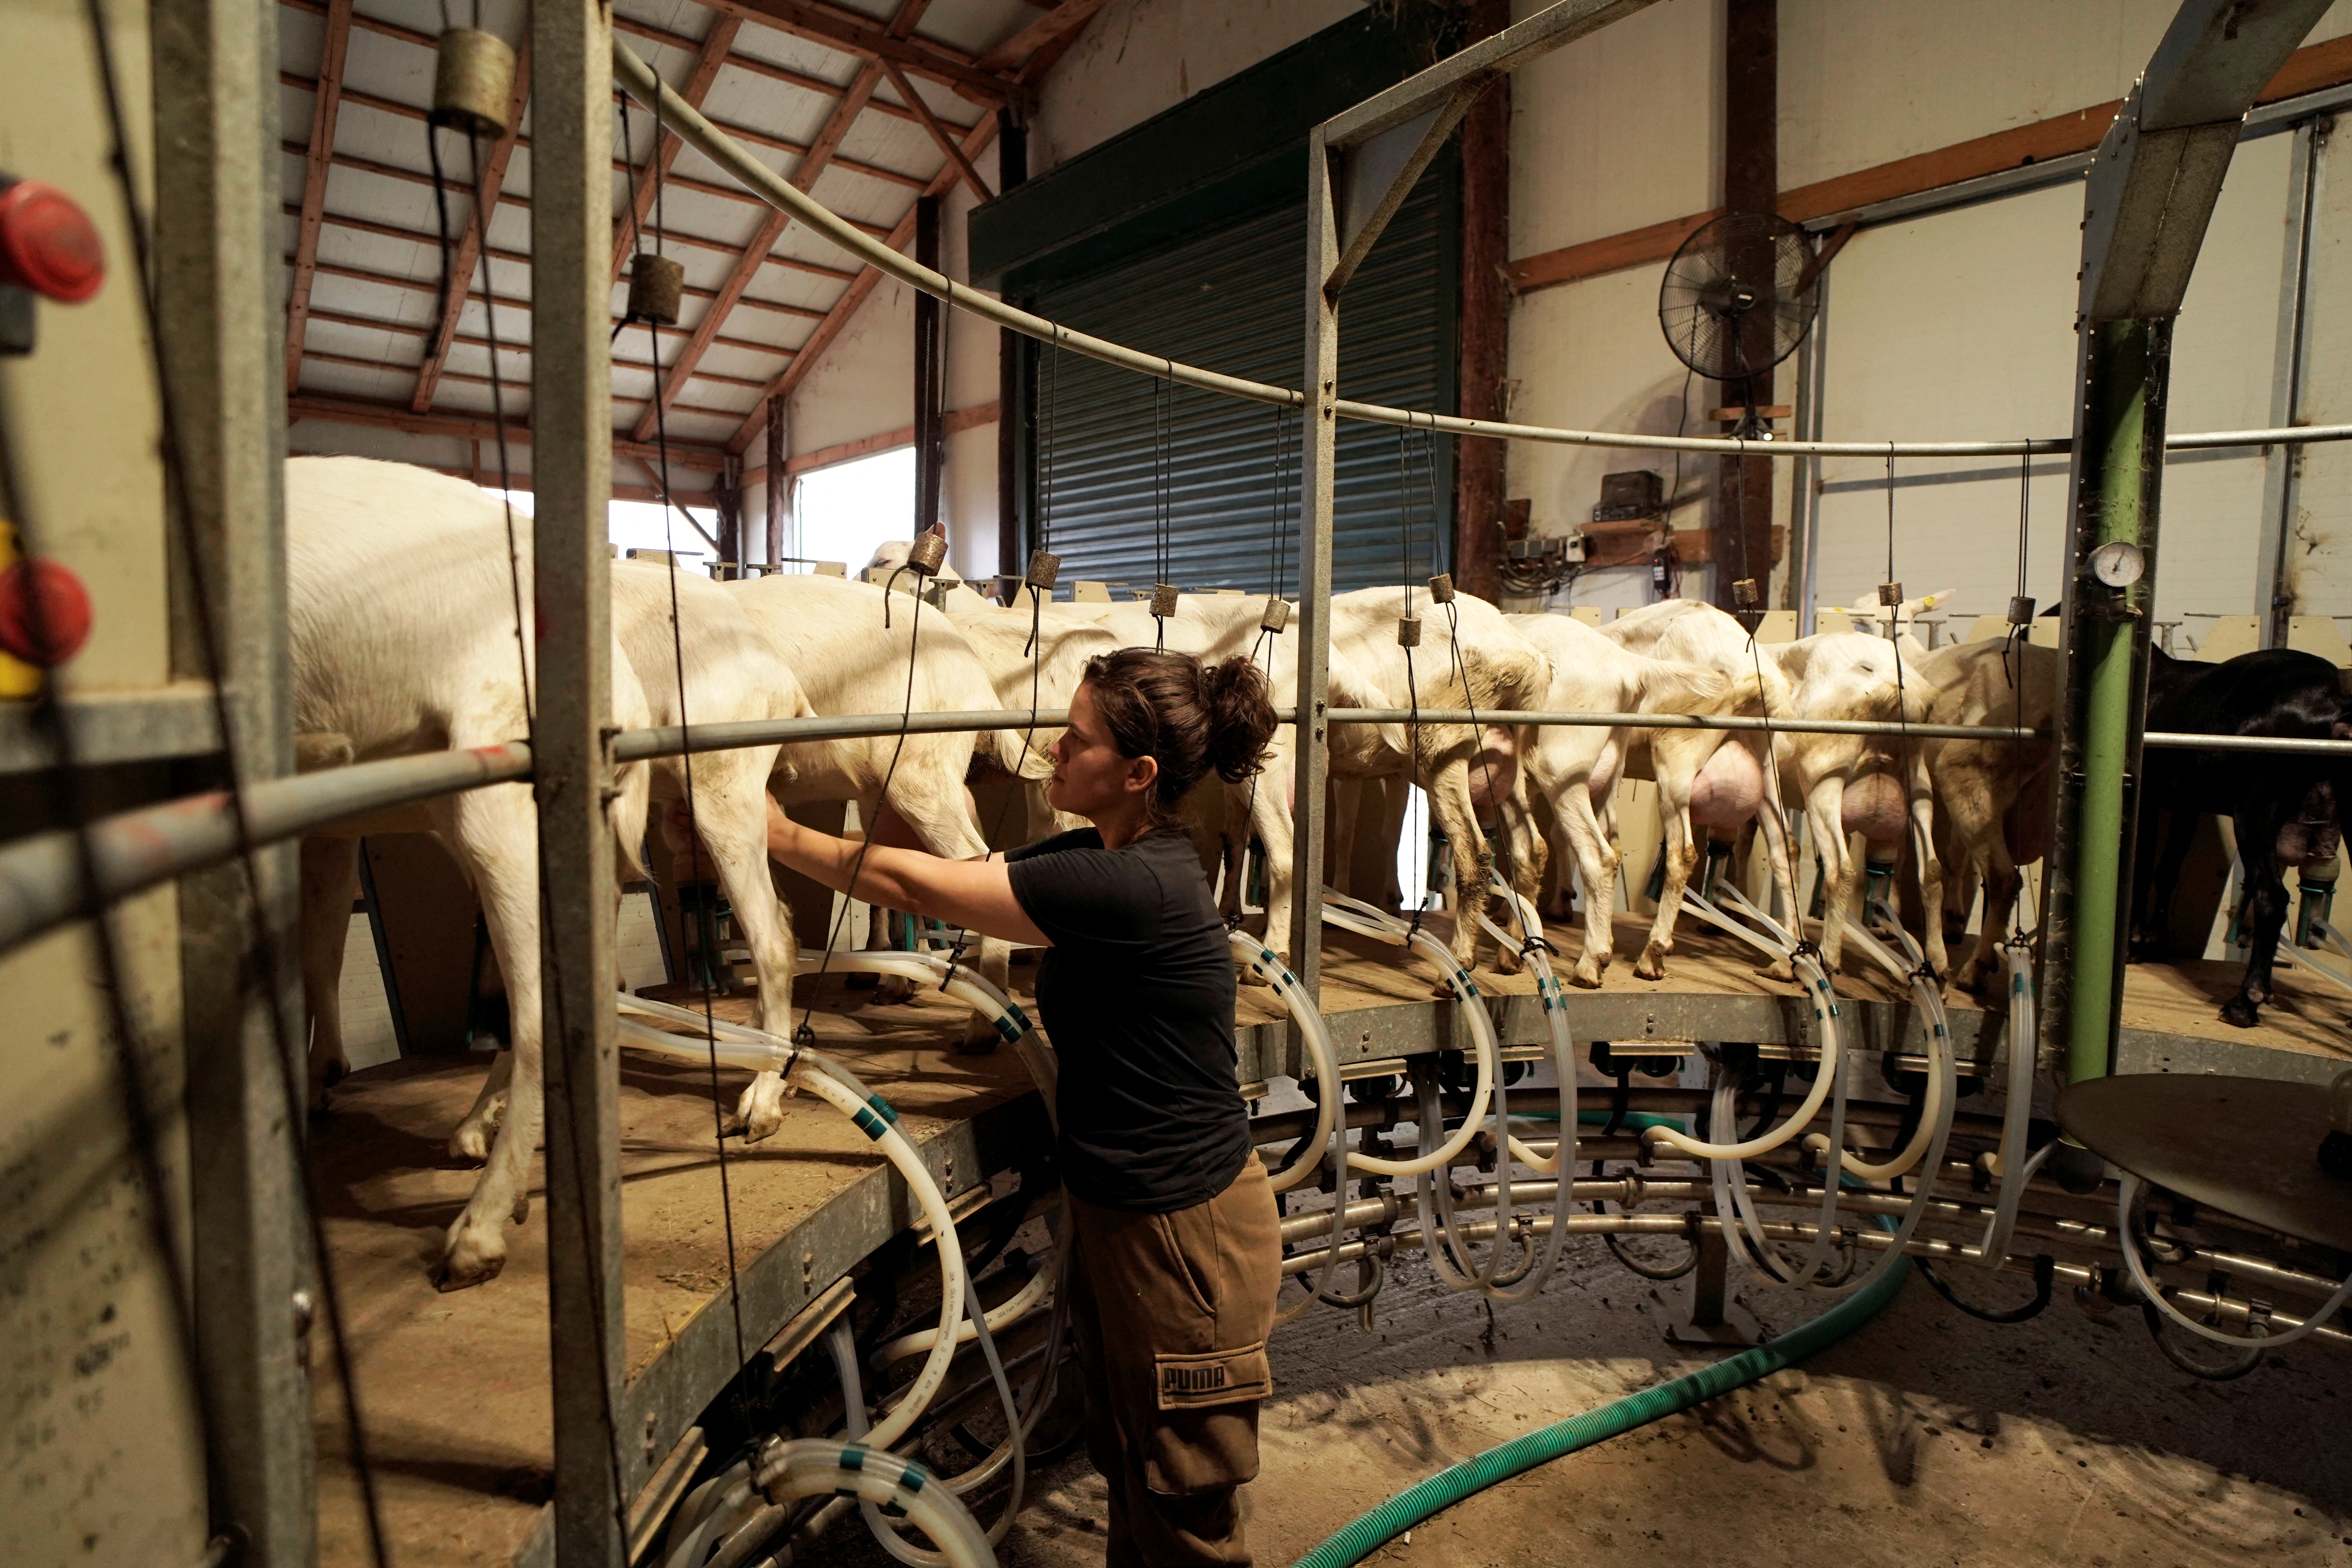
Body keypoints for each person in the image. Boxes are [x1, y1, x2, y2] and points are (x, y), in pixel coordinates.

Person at [760, 645, 1285, 1567]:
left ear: (1138, 773)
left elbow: (916, 885)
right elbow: (971, 867)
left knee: (1185, 1502)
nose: (1051, 747)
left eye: (1075, 740)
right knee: (1132, 1461)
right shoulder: (1111, 856)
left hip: (1184, 1234)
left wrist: (778, 834)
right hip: (1138, 1215)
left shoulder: (1130, 885)